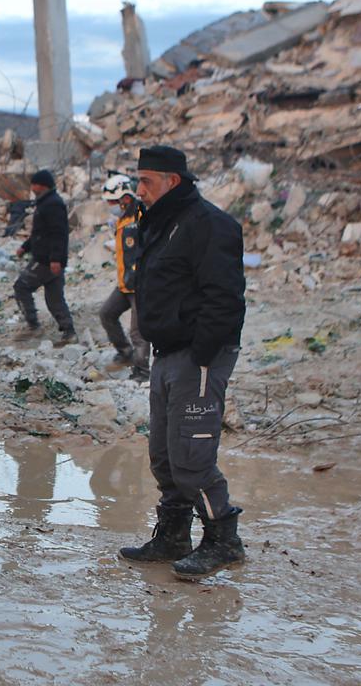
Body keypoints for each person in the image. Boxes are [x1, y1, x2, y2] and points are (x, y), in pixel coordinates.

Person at [119, 146, 247, 580]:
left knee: (192, 456)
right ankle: (173, 535)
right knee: (163, 455)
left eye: (146, 181)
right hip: (167, 352)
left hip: (198, 355)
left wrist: (202, 352)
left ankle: (223, 540)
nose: (139, 190)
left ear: (172, 181)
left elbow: (225, 298)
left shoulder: (208, 224)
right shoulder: (160, 222)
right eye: (138, 180)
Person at [13, 169, 75, 345]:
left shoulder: (52, 204)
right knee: (54, 299)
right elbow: (40, 233)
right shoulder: (46, 202)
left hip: (46, 261)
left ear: (42, 185)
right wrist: (25, 247)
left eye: (34, 184)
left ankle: (33, 326)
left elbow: (58, 234)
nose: (32, 188)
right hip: (50, 260)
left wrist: (55, 259)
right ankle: (69, 333)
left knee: (21, 287)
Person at [98, 174, 150, 381]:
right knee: (107, 313)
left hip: (140, 285)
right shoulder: (123, 219)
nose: (110, 206)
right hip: (125, 283)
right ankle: (125, 352)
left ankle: (142, 372)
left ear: (126, 198)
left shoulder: (141, 216)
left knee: (138, 332)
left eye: (113, 202)